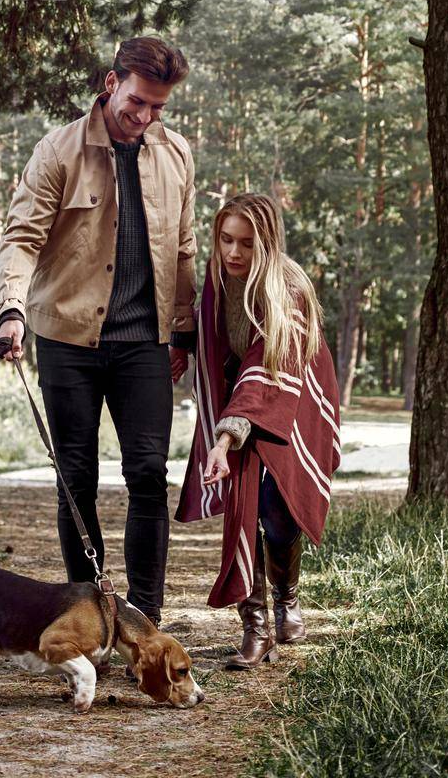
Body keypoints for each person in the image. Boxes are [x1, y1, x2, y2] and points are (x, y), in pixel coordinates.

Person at [0, 36, 196, 624]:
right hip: (68, 341)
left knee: (148, 476)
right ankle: (91, 616)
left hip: (144, 344)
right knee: (75, 478)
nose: (145, 116)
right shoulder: (58, 151)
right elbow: (22, 238)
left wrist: (181, 333)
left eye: (158, 107)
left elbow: (182, 249)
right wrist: (12, 312)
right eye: (137, 102)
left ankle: (145, 619)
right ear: (112, 83)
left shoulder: (176, 154)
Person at [174, 193, 341, 668]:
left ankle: (287, 601)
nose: (233, 253)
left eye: (246, 244)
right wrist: (181, 349)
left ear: (266, 244)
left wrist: (224, 437)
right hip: (241, 395)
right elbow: (208, 334)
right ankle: (257, 627)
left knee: (279, 507)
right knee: (243, 501)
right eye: (225, 240)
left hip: (293, 394)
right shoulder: (215, 280)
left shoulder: (287, 289)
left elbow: (266, 367)